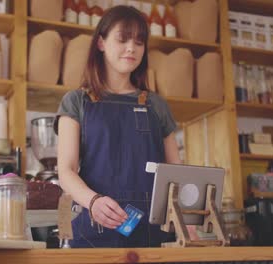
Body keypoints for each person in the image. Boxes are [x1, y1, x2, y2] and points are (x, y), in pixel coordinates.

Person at [55, 5, 181, 248]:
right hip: (92, 231)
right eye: (122, 39)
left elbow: (176, 173)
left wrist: (190, 223)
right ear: (101, 43)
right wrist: (93, 201)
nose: (132, 48)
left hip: (151, 236)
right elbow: (66, 171)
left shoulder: (156, 105)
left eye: (139, 41)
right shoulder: (76, 101)